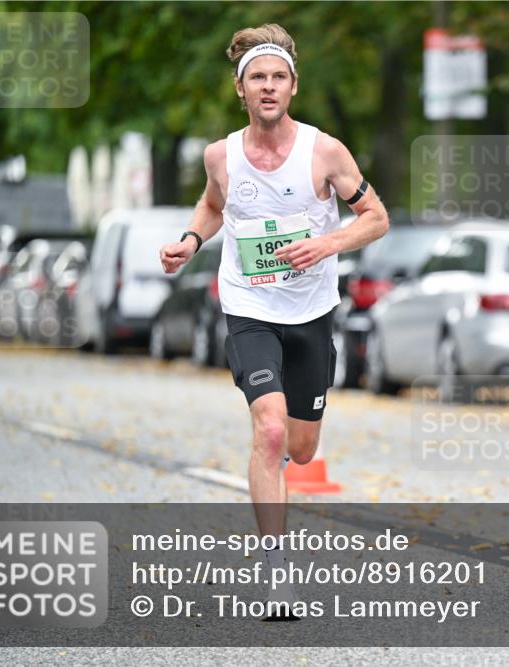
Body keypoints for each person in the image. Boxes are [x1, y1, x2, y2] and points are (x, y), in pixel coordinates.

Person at [159, 23, 389, 617]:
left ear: (293, 87)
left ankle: (282, 461)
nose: (268, 86)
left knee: (303, 448)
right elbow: (214, 205)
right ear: (241, 89)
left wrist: (327, 244)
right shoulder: (221, 155)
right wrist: (190, 239)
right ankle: (276, 576)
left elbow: (376, 217)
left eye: (278, 77)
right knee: (268, 432)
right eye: (257, 77)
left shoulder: (325, 152)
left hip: (311, 311)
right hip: (248, 307)